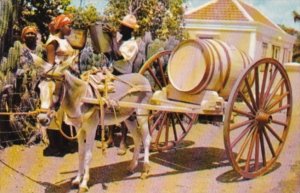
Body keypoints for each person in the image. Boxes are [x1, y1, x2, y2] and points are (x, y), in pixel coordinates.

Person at [104, 14, 140, 155]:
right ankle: (110, 137)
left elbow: (119, 57)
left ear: (129, 30)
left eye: (122, 27)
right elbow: (111, 55)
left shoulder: (132, 44)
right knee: (110, 106)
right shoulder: (119, 40)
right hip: (113, 75)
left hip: (125, 78)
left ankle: (124, 141)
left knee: (124, 110)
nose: (119, 28)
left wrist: (112, 38)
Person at [44, 14, 78, 156]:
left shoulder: (64, 41)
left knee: (65, 113)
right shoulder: (53, 42)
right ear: (61, 26)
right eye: (68, 26)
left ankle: (64, 143)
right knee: (56, 112)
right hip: (57, 81)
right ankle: (55, 145)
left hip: (67, 80)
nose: (71, 28)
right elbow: (50, 66)